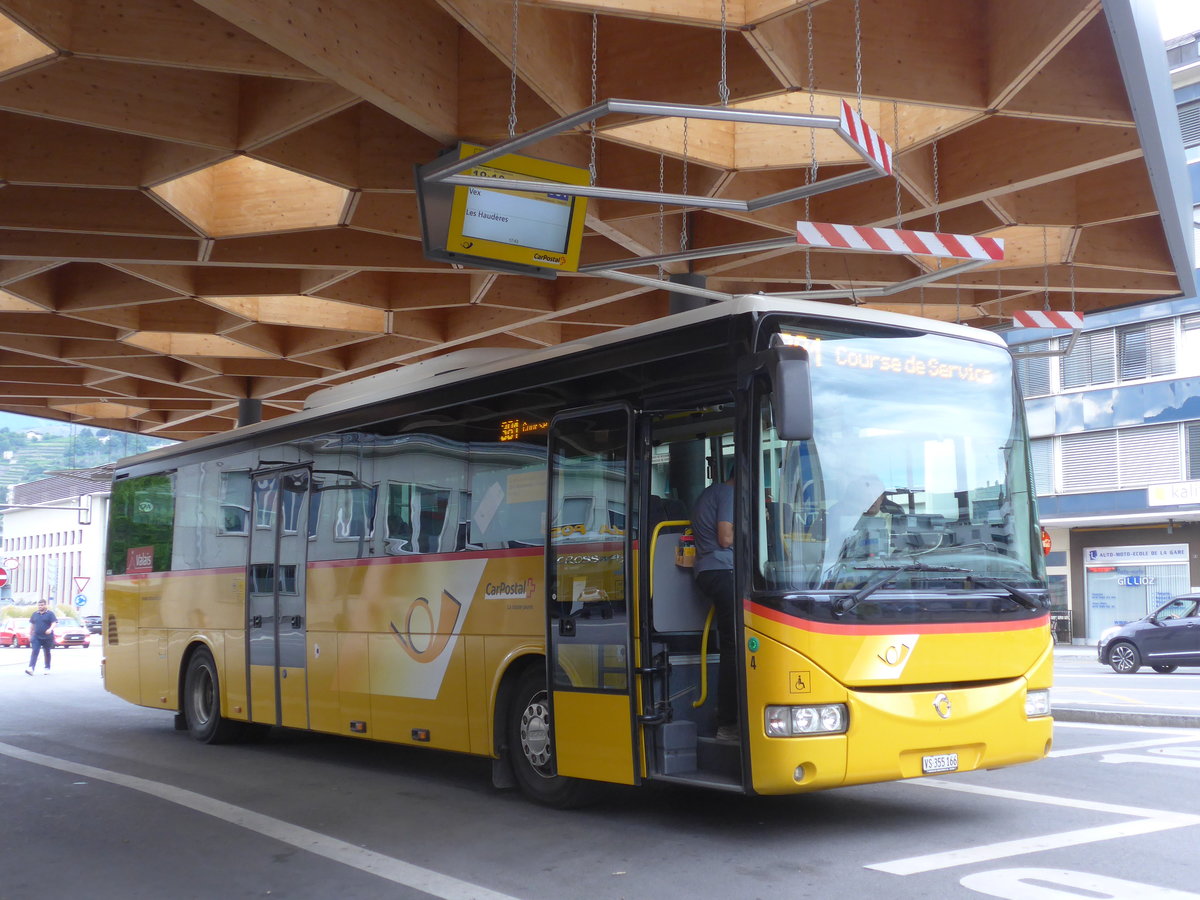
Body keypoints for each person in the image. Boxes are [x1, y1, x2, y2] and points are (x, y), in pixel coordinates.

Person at [691, 468, 739, 742]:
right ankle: (728, 722)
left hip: (708, 571)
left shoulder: (712, 493)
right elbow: (726, 538)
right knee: (735, 646)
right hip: (723, 570)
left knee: (731, 643)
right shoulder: (729, 493)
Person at [26, 598, 57, 676]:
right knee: (35, 651)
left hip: (47, 637)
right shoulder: (35, 614)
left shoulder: (50, 614)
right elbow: (32, 625)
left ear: (45, 605)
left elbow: (54, 623)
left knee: (47, 652)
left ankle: (47, 668)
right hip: (36, 636)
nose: (40, 606)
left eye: (42, 605)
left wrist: (50, 629)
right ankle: (31, 668)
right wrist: (30, 634)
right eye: (39, 605)